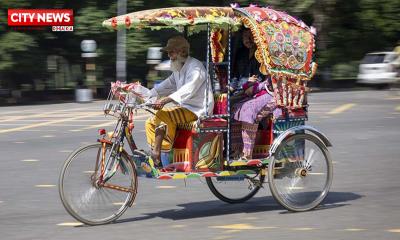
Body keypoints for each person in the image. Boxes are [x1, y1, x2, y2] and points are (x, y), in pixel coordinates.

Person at [145, 35, 214, 167]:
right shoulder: (178, 69)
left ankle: (159, 154)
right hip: (185, 107)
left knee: (162, 114)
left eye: (172, 52)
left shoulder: (195, 67)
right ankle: (157, 152)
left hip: (198, 110)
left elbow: (189, 89)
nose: (170, 56)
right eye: (169, 53)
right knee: (149, 121)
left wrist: (166, 100)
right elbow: (164, 86)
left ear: (182, 51)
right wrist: (144, 94)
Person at [230, 29, 279, 160]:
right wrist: (235, 87)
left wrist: (253, 86)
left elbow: (267, 82)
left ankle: (247, 154)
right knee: (232, 106)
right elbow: (236, 77)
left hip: (268, 93)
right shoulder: (241, 54)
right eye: (245, 37)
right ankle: (236, 150)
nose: (247, 40)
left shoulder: (266, 58)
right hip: (248, 90)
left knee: (247, 109)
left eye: (250, 36)